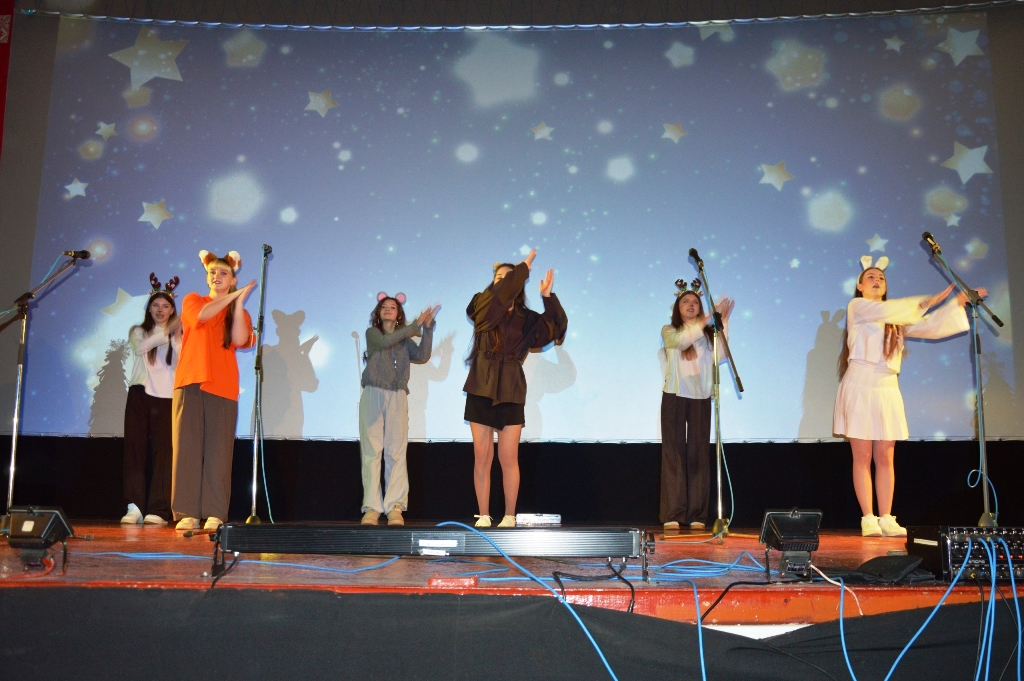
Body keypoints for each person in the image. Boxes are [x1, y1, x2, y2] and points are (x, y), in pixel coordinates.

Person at [834, 256, 981, 537]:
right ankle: (868, 518)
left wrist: (955, 304)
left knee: (886, 456)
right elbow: (899, 311)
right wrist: (930, 300)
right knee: (862, 456)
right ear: (860, 286)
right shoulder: (858, 307)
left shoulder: (897, 320)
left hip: (887, 385)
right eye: (871, 277)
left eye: (881, 278)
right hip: (860, 383)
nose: (877, 280)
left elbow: (929, 326)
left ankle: (887, 517)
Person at [464, 250, 568, 528]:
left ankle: (509, 515)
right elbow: (493, 301)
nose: (504, 282)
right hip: (481, 384)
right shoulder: (481, 303)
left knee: (509, 457)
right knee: (482, 456)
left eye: (509, 278)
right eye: (499, 277)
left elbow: (556, 329)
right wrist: (519, 271)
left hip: (511, 387)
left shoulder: (528, 318)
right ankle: (483, 515)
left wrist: (548, 297)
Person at [171, 250, 255, 531]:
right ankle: (187, 512)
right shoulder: (193, 299)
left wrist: (239, 302)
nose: (217, 276)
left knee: (219, 452)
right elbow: (202, 316)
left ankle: (215, 512)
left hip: (223, 385)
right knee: (187, 449)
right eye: (212, 272)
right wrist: (233, 296)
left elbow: (240, 339)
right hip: (190, 381)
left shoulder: (238, 312)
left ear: (233, 279)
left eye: (223, 273)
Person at [659, 279, 734, 531]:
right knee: (674, 454)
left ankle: (697, 515)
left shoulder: (707, 335)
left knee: (698, 455)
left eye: (695, 302)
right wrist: (706, 320)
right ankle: (673, 513)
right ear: (678, 307)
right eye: (686, 301)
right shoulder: (670, 330)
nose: (691, 305)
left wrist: (724, 323)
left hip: (701, 397)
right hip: (675, 396)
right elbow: (681, 342)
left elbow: (721, 355)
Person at [359, 292, 440, 526]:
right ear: (378, 312)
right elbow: (386, 342)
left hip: (397, 395)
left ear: (398, 314)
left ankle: (395, 506)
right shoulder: (373, 333)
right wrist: (414, 326)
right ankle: (372, 508)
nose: (388, 309)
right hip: (373, 392)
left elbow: (422, 355)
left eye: (393, 307)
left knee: (395, 452)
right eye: (384, 306)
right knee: (372, 452)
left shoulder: (404, 339)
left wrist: (427, 328)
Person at [121, 273, 182, 525]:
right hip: (140, 393)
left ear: (172, 310)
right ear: (149, 308)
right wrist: (168, 331)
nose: (160, 310)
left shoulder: (179, 335)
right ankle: (134, 506)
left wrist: (175, 335)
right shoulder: (139, 331)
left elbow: (181, 359)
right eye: (155, 305)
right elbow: (140, 347)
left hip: (167, 397)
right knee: (134, 448)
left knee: (164, 452)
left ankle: (159, 508)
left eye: (166, 306)